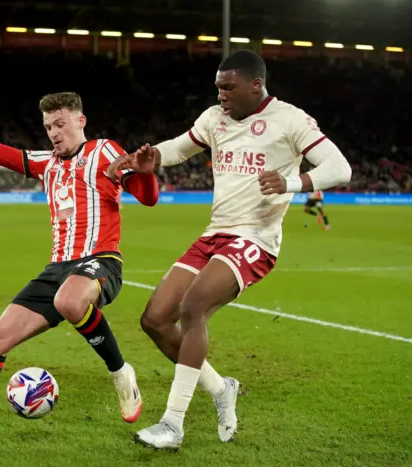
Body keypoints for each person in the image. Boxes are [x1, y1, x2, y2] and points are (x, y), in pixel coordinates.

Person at [108, 50, 352, 450]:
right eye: (218, 86)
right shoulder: (213, 118)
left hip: (255, 239)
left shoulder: (290, 119)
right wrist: (148, 159)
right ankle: (222, 389)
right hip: (215, 234)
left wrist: (293, 182)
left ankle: (172, 425)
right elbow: (180, 148)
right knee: (154, 319)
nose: (220, 94)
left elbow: (339, 167)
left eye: (228, 87)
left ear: (256, 84)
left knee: (193, 308)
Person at [0, 83, 159, 439]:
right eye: (49, 126)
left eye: (60, 124)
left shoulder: (104, 151)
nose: (53, 133)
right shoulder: (44, 163)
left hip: (100, 259)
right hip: (57, 268)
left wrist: (145, 173)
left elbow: (148, 197)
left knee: (69, 300)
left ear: (81, 120)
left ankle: (120, 372)